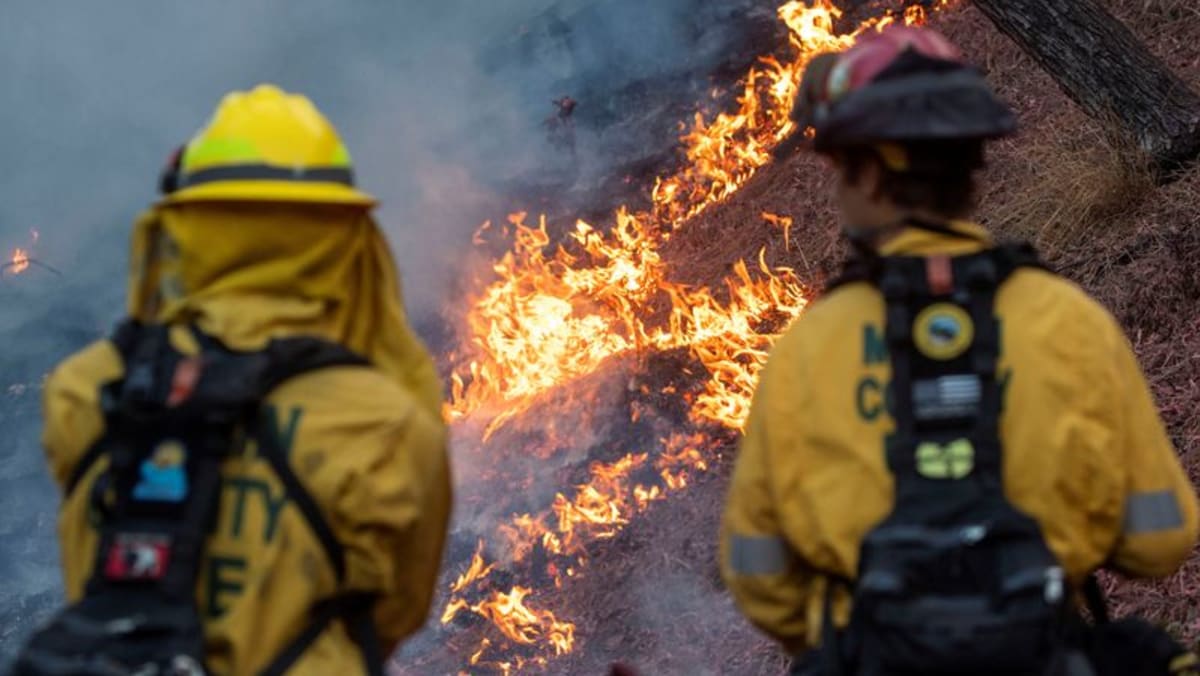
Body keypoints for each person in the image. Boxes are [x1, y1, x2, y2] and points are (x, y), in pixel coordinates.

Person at [720, 26, 1199, 676]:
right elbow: (1160, 540)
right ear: (970, 162)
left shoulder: (806, 352)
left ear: (869, 172)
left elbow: (759, 575)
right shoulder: (1066, 321)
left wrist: (852, 634)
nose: (837, 191)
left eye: (840, 169)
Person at [18, 84, 451, 675]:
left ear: (184, 228)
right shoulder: (383, 422)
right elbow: (394, 615)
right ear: (341, 235)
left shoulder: (84, 390)